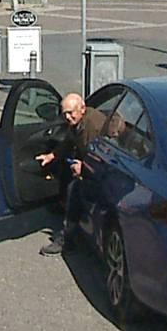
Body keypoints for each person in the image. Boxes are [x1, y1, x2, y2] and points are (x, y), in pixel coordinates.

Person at [38, 93, 110, 256]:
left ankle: (68, 239)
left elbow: (100, 158)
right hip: (92, 165)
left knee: (75, 188)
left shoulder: (92, 126)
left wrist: (83, 168)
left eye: (71, 113)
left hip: (105, 173)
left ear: (82, 109)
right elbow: (69, 142)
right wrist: (52, 155)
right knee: (65, 168)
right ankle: (63, 204)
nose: (67, 117)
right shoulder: (78, 122)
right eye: (65, 114)